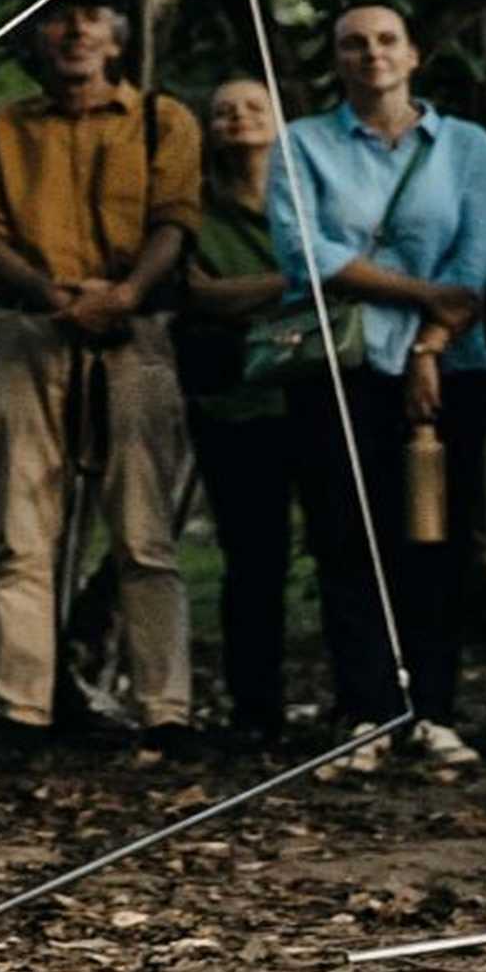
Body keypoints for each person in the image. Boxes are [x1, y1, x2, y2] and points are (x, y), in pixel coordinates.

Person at [0, 0, 203, 752]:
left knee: (143, 531)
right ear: (41, 37)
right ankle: (21, 709)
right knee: (21, 529)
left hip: (132, 333)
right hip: (30, 328)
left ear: (117, 37)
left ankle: (165, 709)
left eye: (92, 18)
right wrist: (54, 293)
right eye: (60, 19)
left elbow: (176, 220)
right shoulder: (3, 127)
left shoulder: (162, 121)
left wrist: (125, 294)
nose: (75, 32)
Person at [270, 2, 486, 767]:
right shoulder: (302, 143)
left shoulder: (466, 144)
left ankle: (433, 708)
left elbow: (474, 263)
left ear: (413, 54)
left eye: (386, 40)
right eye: (353, 43)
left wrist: (431, 347)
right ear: (336, 59)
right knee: (347, 538)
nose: (371, 54)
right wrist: (418, 301)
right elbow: (308, 253)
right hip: (341, 367)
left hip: (449, 368)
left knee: (436, 537)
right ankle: (366, 709)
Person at [178, 73, 309, 746]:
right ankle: (255, 708)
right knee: (253, 558)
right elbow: (198, 295)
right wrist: (297, 283)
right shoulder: (194, 208)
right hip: (234, 399)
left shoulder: (312, 196)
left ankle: (361, 701)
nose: (238, 119)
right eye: (223, 111)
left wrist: (252, 293)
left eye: (254, 107)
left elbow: (341, 270)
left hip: (318, 395)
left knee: (342, 549)